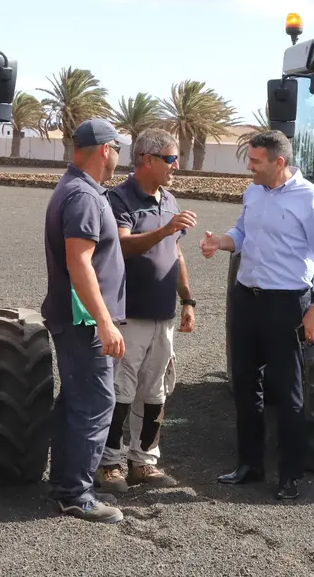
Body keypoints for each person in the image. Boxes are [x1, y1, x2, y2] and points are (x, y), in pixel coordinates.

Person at [199, 130, 314, 501]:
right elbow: (242, 233)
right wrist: (221, 242)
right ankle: (250, 464)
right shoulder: (254, 192)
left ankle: (290, 474)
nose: (250, 167)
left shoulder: (310, 199)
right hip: (247, 299)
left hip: (287, 304)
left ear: (279, 162)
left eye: (256, 161)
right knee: (245, 386)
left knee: (287, 391)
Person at [95, 128, 197, 493]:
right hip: (128, 313)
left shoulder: (169, 199)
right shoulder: (117, 200)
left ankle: (144, 461)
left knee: (155, 392)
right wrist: (167, 228)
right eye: (171, 159)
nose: (176, 166)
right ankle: (108, 465)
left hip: (163, 315)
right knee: (121, 389)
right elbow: (122, 246)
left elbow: (177, 253)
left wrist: (187, 300)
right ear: (146, 160)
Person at [41, 117, 132, 523]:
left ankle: (64, 483)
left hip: (77, 320)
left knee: (77, 402)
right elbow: (80, 263)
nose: (118, 156)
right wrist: (104, 321)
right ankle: (76, 494)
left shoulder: (79, 190)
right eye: (117, 148)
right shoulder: (83, 196)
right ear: (105, 150)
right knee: (96, 403)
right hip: (83, 322)